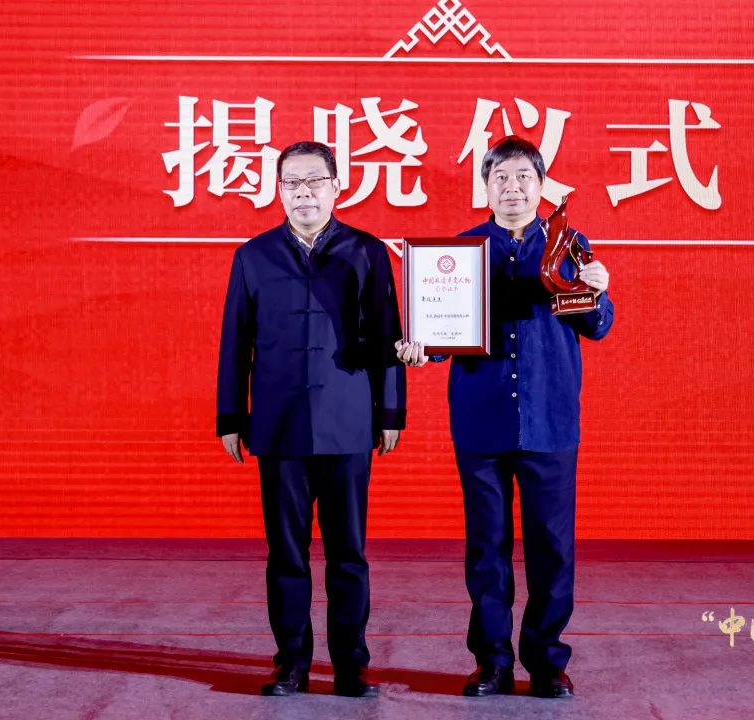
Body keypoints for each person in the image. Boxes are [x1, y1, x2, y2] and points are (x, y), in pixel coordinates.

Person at [396, 135, 614, 699]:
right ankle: (491, 662)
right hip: (481, 421)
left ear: (540, 186)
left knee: (552, 548)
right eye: (500, 178)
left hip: (550, 421)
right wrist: (421, 347)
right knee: (486, 548)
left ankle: (546, 661)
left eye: (523, 178)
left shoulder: (569, 245)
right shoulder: (462, 251)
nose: (512, 188)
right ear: (485, 187)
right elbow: (440, 333)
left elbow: (598, 326)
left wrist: (597, 290)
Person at [216, 141, 406, 698]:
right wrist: (231, 415)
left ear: (336, 187)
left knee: (348, 552)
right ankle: (291, 663)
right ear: (278, 191)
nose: (304, 192)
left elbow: (389, 334)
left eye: (314, 181)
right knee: (286, 553)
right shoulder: (253, 256)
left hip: (348, 422)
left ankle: (351, 665)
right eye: (292, 183)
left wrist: (391, 409)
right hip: (279, 426)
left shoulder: (367, 251)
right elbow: (235, 342)